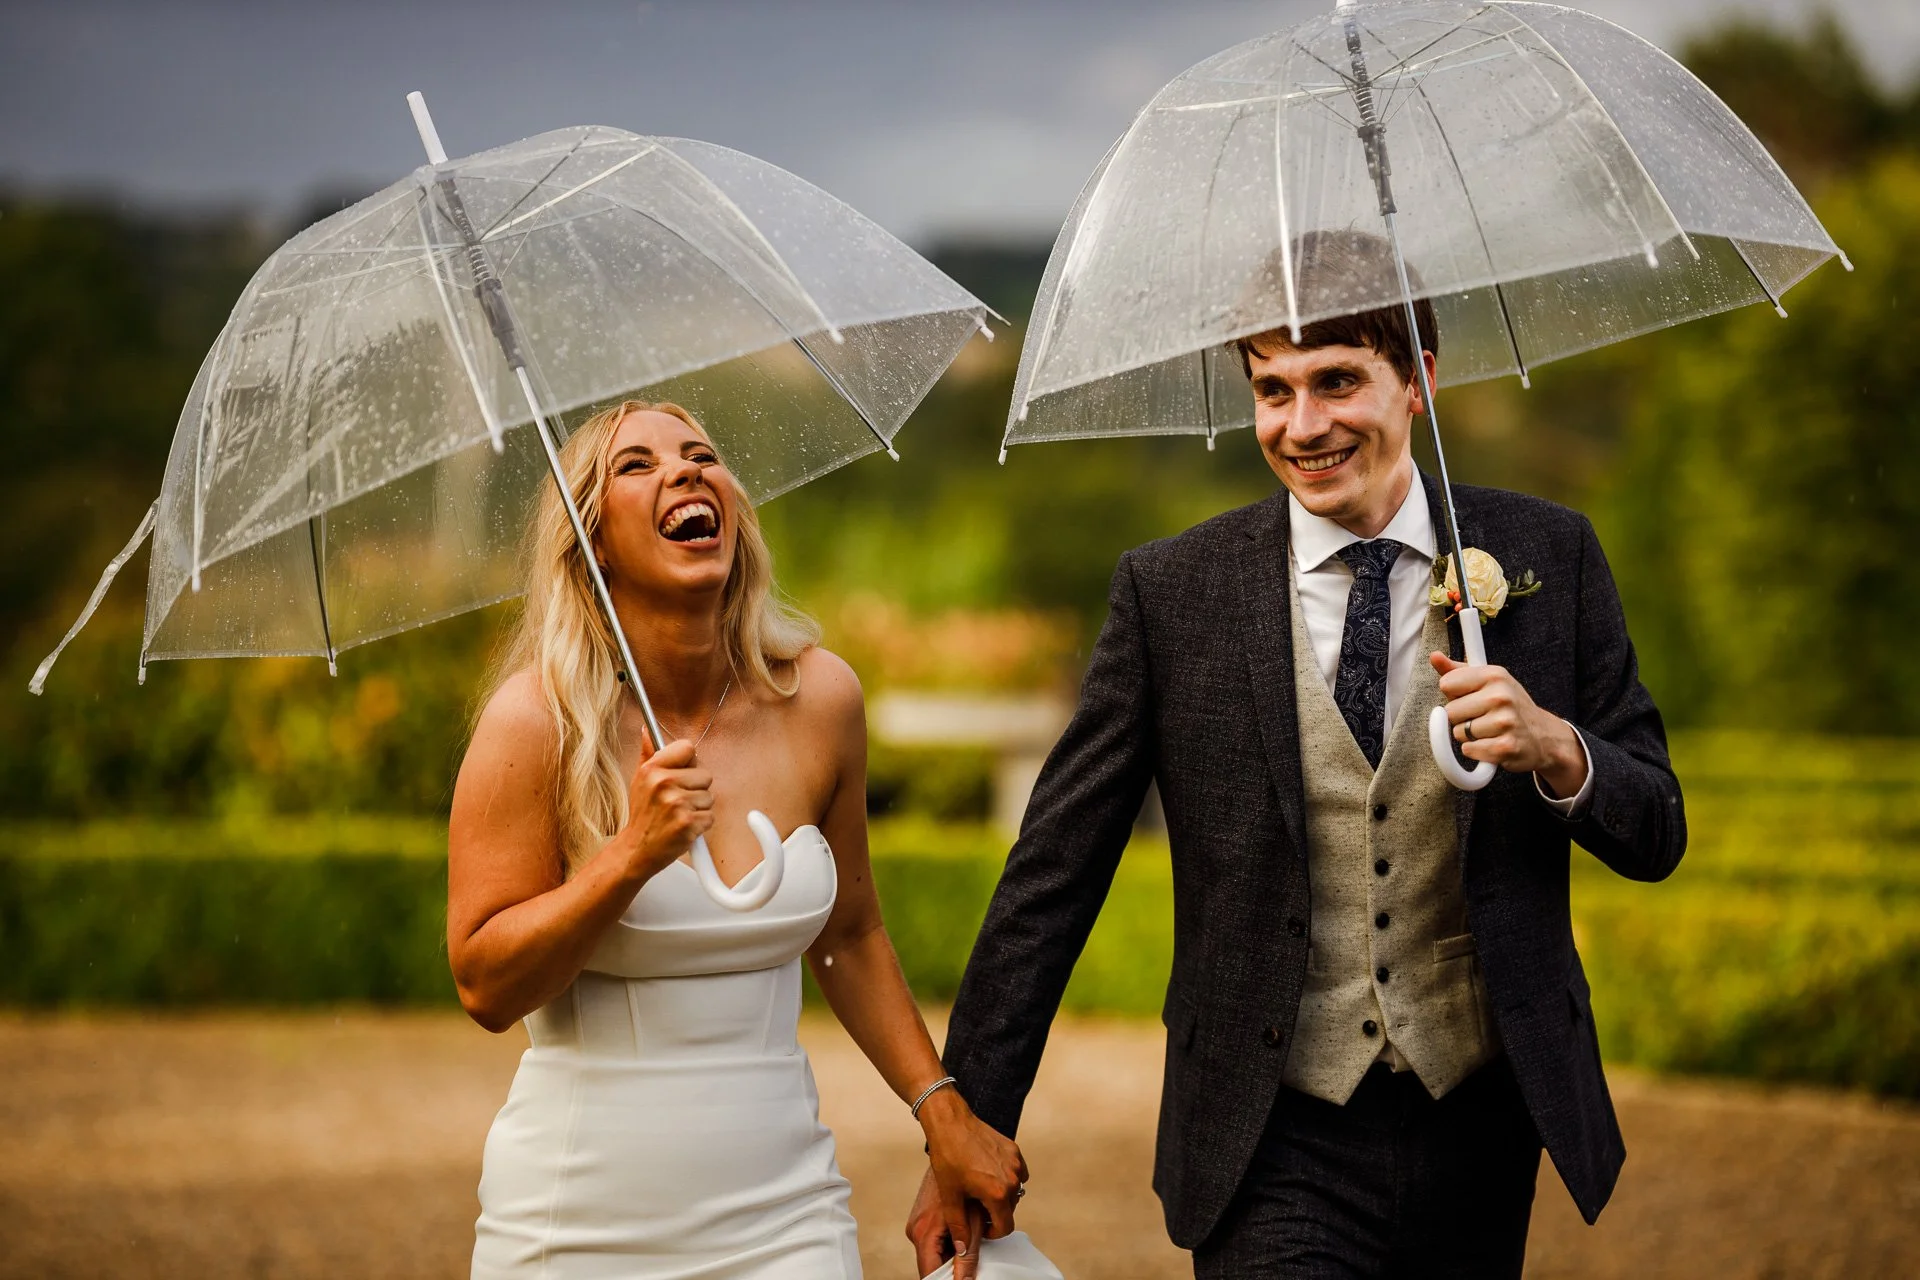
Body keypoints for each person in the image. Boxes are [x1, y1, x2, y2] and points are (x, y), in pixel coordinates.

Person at [908, 231, 1687, 1278]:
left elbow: (1659, 828)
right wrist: (967, 1115)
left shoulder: (1552, 556)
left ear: (1419, 380)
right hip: (1268, 1130)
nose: (1302, 424)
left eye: (1336, 381)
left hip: (1484, 1120)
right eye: (1272, 389)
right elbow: (1054, 871)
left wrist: (1558, 749)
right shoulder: (1172, 593)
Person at [449, 400, 1025, 1278]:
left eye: (701, 455)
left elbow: (850, 935)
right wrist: (630, 856)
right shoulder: (534, 723)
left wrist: (940, 1112)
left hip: (786, 1211)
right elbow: (485, 982)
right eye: (635, 466)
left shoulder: (820, 699)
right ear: (591, 543)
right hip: (577, 1224)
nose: (684, 472)